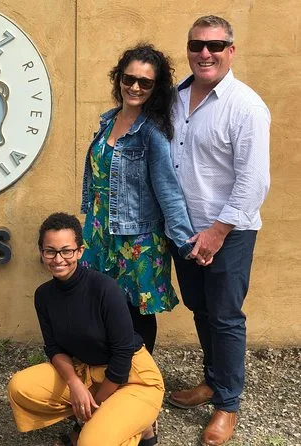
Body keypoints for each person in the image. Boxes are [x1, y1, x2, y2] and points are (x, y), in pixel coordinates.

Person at [167, 15, 270, 446]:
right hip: (184, 230)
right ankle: (212, 381)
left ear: (231, 50)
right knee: (200, 307)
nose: (204, 53)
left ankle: (227, 404)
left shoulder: (246, 107)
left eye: (215, 45)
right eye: (196, 45)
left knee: (225, 316)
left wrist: (218, 231)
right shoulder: (175, 99)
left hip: (228, 232)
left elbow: (254, 181)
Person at [7, 213, 164, 446]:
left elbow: (123, 355)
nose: (58, 259)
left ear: (80, 251)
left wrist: (91, 407)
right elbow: (54, 348)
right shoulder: (44, 296)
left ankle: (139, 425)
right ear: (41, 252)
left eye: (66, 251)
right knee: (20, 388)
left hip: (132, 378)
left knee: (91, 443)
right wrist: (74, 383)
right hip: (86, 372)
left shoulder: (104, 288)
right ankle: (116, 421)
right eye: (50, 251)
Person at [80, 43, 195, 355]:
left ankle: (140, 376)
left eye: (145, 82)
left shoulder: (152, 133)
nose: (134, 87)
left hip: (137, 237)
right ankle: (110, 368)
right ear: (119, 78)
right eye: (128, 79)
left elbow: (168, 191)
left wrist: (185, 241)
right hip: (99, 232)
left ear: (156, 88)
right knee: (103, 306)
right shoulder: (108, 121)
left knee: (136, 311)